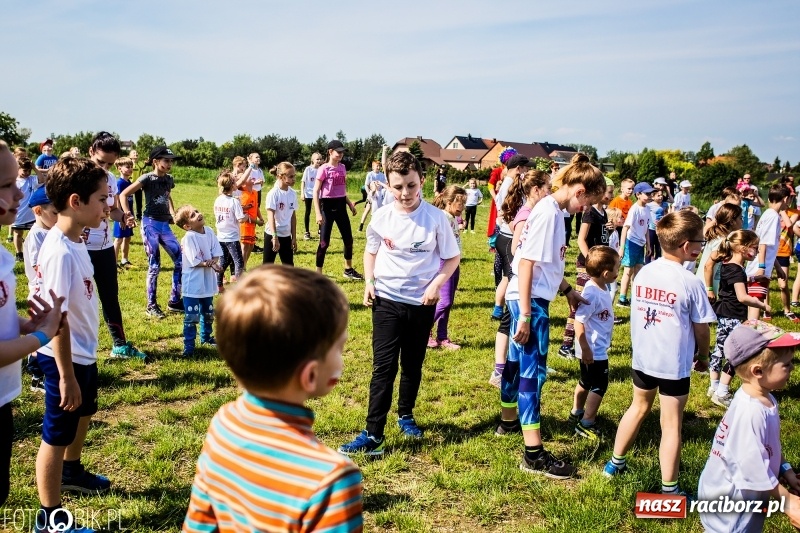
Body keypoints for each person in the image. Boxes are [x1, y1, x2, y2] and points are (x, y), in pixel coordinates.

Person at [183, 266, 363, 532]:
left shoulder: (224, 423)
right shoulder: (331, 479)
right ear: (310, 375)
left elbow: (199, 523)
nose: (343, 358)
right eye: (340, 347)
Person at [339, 151, 460, 456]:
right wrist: (368, 281)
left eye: (410, 185)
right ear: (388, 186)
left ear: (422, 181)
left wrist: (435, 285)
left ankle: (406, 414)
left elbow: (451, 258)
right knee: (383, 366)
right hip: (387, 300)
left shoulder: (436, 219)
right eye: (398, 187)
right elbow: (371, 251)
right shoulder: (381, 216)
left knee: (412, 364)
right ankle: (373, 434)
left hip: (421, 304)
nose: (405, 193)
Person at [499, 153, 606, 479]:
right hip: (530, 302)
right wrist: (528, 315)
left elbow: (544, 263)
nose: (586, 210)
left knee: (516, 366)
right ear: (579, 191)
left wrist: (566, 290)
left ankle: (507, 423)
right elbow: (528, 263)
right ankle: (533, 454)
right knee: (532, 375)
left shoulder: (549, 209)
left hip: (527, 296)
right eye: (589, 203)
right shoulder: (550, 215)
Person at [604, 210, 716, 497]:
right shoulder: (690, 282)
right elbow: (702, 330)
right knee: (671, 425)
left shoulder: (644, 272)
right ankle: (670, 491)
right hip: (673, 364)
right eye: (700, 242)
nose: (702, 246)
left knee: (638, 407)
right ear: (685, 245)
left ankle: (614, 465)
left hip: (643, 357)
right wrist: (703, 357)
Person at [35, 157, 113, 532]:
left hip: (83, 351)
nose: (108, 205)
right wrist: (66, 376)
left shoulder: (75, 240)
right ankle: (50, 518)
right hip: (63, 358)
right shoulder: (60, 252)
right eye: (102, 198)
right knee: (56, 434)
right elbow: (56, 322)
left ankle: (72, 470)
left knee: (83, 413)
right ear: (76, 201)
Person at [0, 142, 65, 509]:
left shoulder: (1, 253)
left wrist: (25, 325)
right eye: (8, 185)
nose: (19, 193)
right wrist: (43, 335)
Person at [697, 320, 800, 532]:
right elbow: (752, 468)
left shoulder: (764, 397)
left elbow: (768, 446)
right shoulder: (751, 411)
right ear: (758, 371)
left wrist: (786, 470)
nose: (792, 368)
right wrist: (787, 501)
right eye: (786, 364)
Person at [86, 133, 147, 360]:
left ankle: (119, 345)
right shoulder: (78, 177)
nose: (104, 168)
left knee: (110, 295)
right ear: (91, 151)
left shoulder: (110, 179)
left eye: (109, 164)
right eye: (100, 162)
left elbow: (112, 210)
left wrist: (123, 217)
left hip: (103, 247)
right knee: (77, 300)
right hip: (78, 247)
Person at [488, 170, 551, 387]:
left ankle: (509, 371)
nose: (550, 193)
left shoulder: (535, 211)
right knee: (509, 323)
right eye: (548, 188)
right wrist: (527, 264)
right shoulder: (526, 215)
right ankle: (500, 371)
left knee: (513, 327)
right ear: (536, 190)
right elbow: (516, 249)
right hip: (520, 281)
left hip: (524, 281)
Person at [708, 230, 770, 408]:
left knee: (719, 350)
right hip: (734, 315)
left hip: (724, 314)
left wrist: (751, 278)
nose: (757, 252)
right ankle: (723, 392)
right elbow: (742, 297)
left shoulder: (728, 264)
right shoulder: (737, 270)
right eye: (755, 248)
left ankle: (714, 387)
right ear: (743, 249)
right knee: (738, 353)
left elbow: (735, 285)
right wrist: (762, 305)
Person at [119, 146, 183, 319]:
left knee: (180, 260)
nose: (169, 164)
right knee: (155, 265)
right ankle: (151, 306)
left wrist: (171, 213)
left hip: (164, 225)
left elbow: (167, 195)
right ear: (155, 161)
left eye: (171, 161)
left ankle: (175, 301)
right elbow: (123, 195)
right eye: (166, 160)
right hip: (150, 225)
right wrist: (128, 214)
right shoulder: (147, 178)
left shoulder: (169, 179)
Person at [569, 246, 619, 440]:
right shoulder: (592, 294)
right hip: (593, 350)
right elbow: (579, 322)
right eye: (617, 269)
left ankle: (577, 412)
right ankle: (587, 423)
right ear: (606, 273)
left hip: (592, 348)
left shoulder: (600, 286)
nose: (618, 272)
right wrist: (586, 349)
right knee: (599, 385)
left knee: (585, 381)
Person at [558, 180, 612, 358]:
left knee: (591, 305)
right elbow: (581, 239)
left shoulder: (603, 214)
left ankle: (583, 342)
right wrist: (591, 261)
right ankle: (566, 345)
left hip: (599, 267)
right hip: (588, 266)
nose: (611, 196)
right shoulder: (590, 213)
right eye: (609, 192)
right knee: (580, 305)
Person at [23, 186, 60, 393]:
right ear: (39, 211)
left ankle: (47, 370)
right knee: (41, 335)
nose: (59, 217)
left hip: (50, 293)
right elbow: (40, 267)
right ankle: (36, 375)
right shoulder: (37, 234)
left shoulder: (51, 231)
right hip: (40, 294)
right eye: (55, 213)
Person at [175, 205, 223, 357]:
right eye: (192, 215)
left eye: (196, 211)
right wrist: (208, 263)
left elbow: (216, 252)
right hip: (193, 284)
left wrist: (214, 262)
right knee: (191, 316)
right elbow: (194, 260)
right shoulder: (189, 238)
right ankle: (189, 346)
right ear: (187, 226)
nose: (198, 214)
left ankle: (206, 338)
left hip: (207, 281)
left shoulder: (209, 231)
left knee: (208, 312)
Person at [313, 140, 362, 280]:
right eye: (338, 151)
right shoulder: (323, 169)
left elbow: (342, 190)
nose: (341, 154)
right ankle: (318, 274)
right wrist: (317, 213)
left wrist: (349, 204)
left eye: (342, 152)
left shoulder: (342, 168)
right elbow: (316, 191)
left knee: (348, 240)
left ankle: (348, 269)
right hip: (327, 207)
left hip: (341, 206)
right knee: (324, 243)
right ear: (330, 152)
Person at [491, 155, 530, 320]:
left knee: (507, 276)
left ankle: (498, 310)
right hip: (509, 237)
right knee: (510, 276)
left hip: (503, 236)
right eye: (525, 167)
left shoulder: (508, 184)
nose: (527, 171)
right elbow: (508, 214)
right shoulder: (509, 186)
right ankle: (501, 311)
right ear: (518, 168)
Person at [428, 185, 466, 350]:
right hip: (444, 264)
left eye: (465, 203)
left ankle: (442, 337)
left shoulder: (451, 217)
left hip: (453, 263)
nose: (463, 207)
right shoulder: (442, 218)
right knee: (444, 302)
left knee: (448, 303)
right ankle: (422, 331)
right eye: (460, 203)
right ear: (449, 201)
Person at [745, 185, 790, 321]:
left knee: (754, 303)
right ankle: (752, 336)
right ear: (785, 199)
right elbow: (763, 243)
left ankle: (751, 334)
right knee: (755, 305)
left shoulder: (768, 214)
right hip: (759, 270)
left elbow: (769, 247)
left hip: (760, 266)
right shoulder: (774, 217)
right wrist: (762, 268)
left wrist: (777, 267)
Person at [617, 182, 653, 307]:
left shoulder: (648, 209)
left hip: (641, 244)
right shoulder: (634, 209)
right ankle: (622, 298)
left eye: (650, 193)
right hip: (631, 243)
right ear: (638, 194)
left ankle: (634, 297)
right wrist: (622, 248)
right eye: (647, 194)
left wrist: (648, 245)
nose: (650, 196)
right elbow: (625, 229)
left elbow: (647, 228)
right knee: (628, 271)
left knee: (638, 271)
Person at [699, 203, 744, 300]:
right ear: (732, 222)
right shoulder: (721, 240)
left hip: (710, 283)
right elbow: (708, 266)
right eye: (740, 218)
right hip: (705, 286)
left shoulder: (723, 237)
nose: (742, 221)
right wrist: (709, 289)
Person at [213, 171, 247, 292]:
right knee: (239, 262)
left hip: (220, 237)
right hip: (232, 238)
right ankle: (240, 289)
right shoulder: (234, 202)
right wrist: (247, 216)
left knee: (223, 261)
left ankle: (219, 286)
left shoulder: (218, 200)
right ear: (233, 185)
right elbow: (241, 219)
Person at [263, 162, 298, 266]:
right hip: (272, 234)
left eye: (294, 176)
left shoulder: (292, 193)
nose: (293, 179)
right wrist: (274, 237)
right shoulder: (273, 194)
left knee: (289, 267)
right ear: (280, 176)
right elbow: (271, 216)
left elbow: (293, 216)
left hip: (286, 235)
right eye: (290, 176)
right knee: (267, 267)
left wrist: (294, 237)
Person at [11, 155, 44, 262]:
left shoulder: (31, 179)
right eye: (24, 170)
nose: (27, 173)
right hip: (18, 213)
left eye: (29, 170)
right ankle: (19, 253)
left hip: (30, 214)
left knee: (33, 235)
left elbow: (42, 179)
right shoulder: (13, 181)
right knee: (18, 233)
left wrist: (35, 168)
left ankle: (33, 253)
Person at [238, 166, 264, 267]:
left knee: (251, 245)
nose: (251, 176)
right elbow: (244, 215)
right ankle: (241, 267)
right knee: (244, 246)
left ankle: (244, 264)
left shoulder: (255, 192)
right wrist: (257, 221)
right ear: (243, 182)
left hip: (252, 224)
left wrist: (260, 217)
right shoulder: (244, 196)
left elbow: (256, 206)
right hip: (245, 225)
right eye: (248, 176)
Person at [113, 156, 135, 267]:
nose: (130, 169)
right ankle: (113, 262)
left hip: (129, 214)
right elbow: (117, 201)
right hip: (121, 216)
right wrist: (121, 217)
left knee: (127, 238)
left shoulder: (129, 182)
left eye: (131, 166)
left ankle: (124, 260)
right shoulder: (119, 183)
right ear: (119, 168)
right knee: (119, 239)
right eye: (127, 167)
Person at [359, 161, 387, 231]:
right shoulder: (370, 174)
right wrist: (369, 194)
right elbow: (366, 185)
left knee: (379, 210)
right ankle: (361, 225)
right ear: (373, 167)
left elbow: (384, 185)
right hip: (371, 194)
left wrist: (383, 193)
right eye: (376, 166)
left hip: (379, 195)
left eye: (379, 166)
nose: (378, 167)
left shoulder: (382, 175)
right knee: (368, 209)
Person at [300, 152, 322, 240]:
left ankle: (320, 230)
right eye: (317, 159)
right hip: (308, 193)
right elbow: (303, 182)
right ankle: (307, 232)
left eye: (320, 159)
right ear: (312, 160)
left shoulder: (321, 169)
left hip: (318, 194)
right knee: (308, 212)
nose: (319, 161)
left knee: (320, 211)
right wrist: (302, 193)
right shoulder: (308, 169)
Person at [247, 153, 265, 253]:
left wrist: (260, 182)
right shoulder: (250, 170)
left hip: (258, 192)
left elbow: (263, 181)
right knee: (252, 215)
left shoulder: (260, 170)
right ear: (250, 159)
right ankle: (250, 241)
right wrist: (255, 182)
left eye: (259, 157)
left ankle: (253, 237)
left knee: (256, 212)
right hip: (251, 194)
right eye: (256, 157)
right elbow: (247, 182)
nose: (258, 158)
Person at [645, 188, 666, 263]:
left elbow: (666, 213)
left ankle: (658, 262)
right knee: (650, 247)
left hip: (660, 229)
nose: (661, 197)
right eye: (658, 195)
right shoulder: (649, 205)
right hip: (651, 229)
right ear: (653, 197)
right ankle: (647, 263)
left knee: (658, 247)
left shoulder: (664, 204)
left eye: (661, 195)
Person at [129, 149, 147, 221]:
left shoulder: (141, 164)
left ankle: (139, 216)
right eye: (133, 153)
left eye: (136, 153)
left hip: (138, 184)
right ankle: (129, 214)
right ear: (130, 156)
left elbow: (144, 173)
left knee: (139, 201)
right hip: (129, 184)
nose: (136, 154)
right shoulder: (128, 163)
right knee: (129, 200)